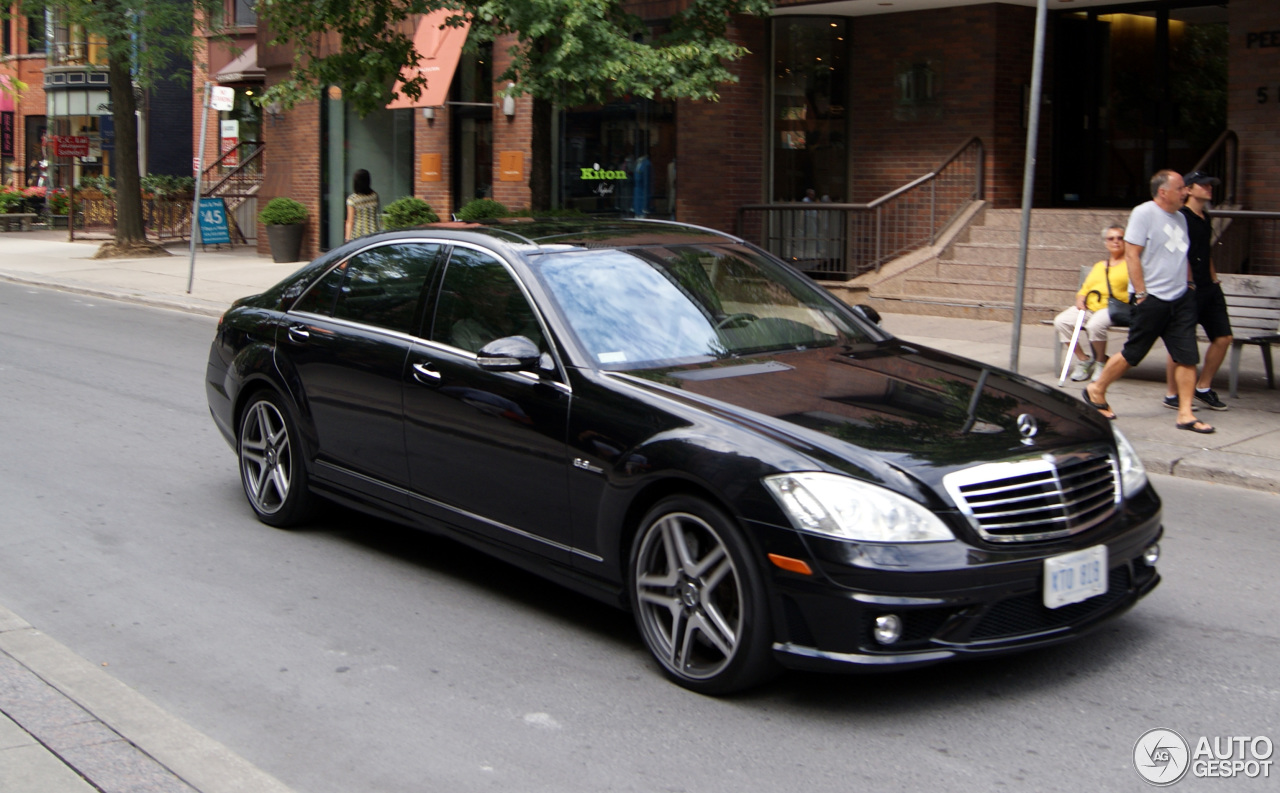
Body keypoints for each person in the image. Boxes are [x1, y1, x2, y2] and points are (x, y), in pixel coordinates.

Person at [1083, 170, 1215, 434]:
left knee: (1187, 356)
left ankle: (1185, 414)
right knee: (1134, 352)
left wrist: (1189, 284)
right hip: (1152, 298)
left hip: (1181, 297)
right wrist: (1141, 294)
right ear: (1163, 192)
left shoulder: (1180, 217)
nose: (1185, 192)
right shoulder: (1144, 213)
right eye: (1180, 188)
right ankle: (1096, 389)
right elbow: (1132, 254)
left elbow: (1183, 254)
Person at [1161, 170, 1233, 411]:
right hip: (1186, 288)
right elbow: (1179, 253)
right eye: (1203, 184)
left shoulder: (1205, 217)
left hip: (1208, 287)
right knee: (1181, 342)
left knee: (1223, 337)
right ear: (1189, 189)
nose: (1209, 188)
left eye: (1211, 185)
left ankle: (1203, 387)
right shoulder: (1180, 218)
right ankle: (1172, 393)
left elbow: (1205, 251)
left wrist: (1213, 278)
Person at [1053, 225, 1129, 381]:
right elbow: (1085, 288)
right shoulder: (1100, 266)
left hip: (1112, 307)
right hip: (1090, 306)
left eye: (1120, 238)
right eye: (1111, 238)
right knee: (1061, 321)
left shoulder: (1131, 264)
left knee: (1094, 325)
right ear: (1105, 243)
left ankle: (1101, 362)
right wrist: (1080, 298)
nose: (1116, 241)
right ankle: (1084, 359)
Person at [343, 169, 381, 241]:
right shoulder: (375, 196)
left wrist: (347, 239)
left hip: (359, 235)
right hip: (374, 233)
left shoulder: (352, 199)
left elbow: (350, 221)